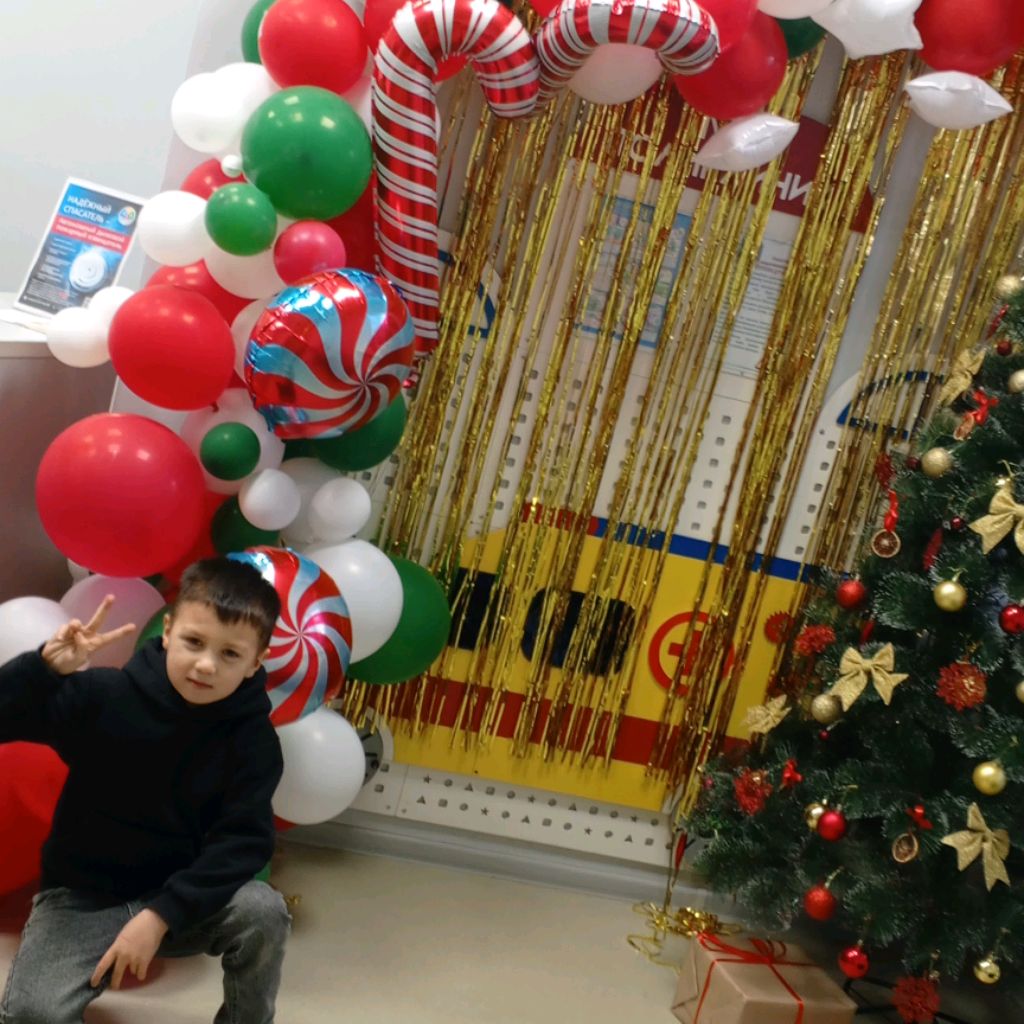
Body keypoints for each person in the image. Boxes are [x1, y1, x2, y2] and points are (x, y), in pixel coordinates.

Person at [0, 557, 290, 1024]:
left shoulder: (254, 742)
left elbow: (241, 844)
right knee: (33, 1014)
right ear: (169, 630)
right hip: (81, 899)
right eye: (194, 642)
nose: (206, 665)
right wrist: (42, 670)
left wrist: (160, 916)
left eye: (230, 654)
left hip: (177, 903)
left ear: (256, 662)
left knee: (263, 910)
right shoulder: (105, 696)